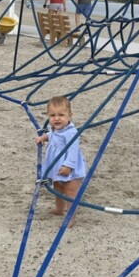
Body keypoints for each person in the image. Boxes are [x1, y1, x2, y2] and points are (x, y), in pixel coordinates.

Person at [35, 96, 86, 228]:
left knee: (70, 192)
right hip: (57, 166)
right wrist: (44, 137)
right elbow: (52, 136)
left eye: (61, 115)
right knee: (57, 188)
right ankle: (59, 209)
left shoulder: (71, 133)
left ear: (69, 115)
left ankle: (70, 217)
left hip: (69, 168)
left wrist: (68, 166)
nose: (56, 118)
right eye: (52, 115)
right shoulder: (55, 129)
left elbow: (73, 151)